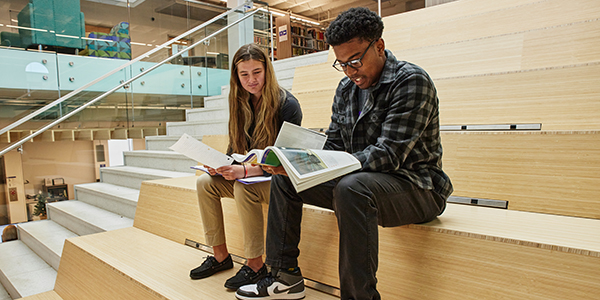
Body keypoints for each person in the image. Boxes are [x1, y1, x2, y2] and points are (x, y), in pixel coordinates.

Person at [236, 7, 453, 300]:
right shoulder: (346, 88)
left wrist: (337, 163)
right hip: (363, 183)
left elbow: (390, 155)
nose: (350, 71)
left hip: (417, 186)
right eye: (342, 64)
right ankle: (284, 277)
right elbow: (335, 146)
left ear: (379, 46)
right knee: (287, 180)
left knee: (352, 188)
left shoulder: (411, 81)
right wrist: (295, 162)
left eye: (355, 61)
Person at [190, 43, 302, 291]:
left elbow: (285, 161)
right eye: (244, 74)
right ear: (236, 76)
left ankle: (255, 265)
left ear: (267, 71)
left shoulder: (287, 105)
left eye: (257, 72)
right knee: (204, 183)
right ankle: (220, 256)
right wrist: (221, 165)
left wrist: (244, 171)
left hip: (279, 182)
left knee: (243, 187)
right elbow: (236, 150)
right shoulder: (240, 101)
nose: (251, 80)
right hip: (251, 176)